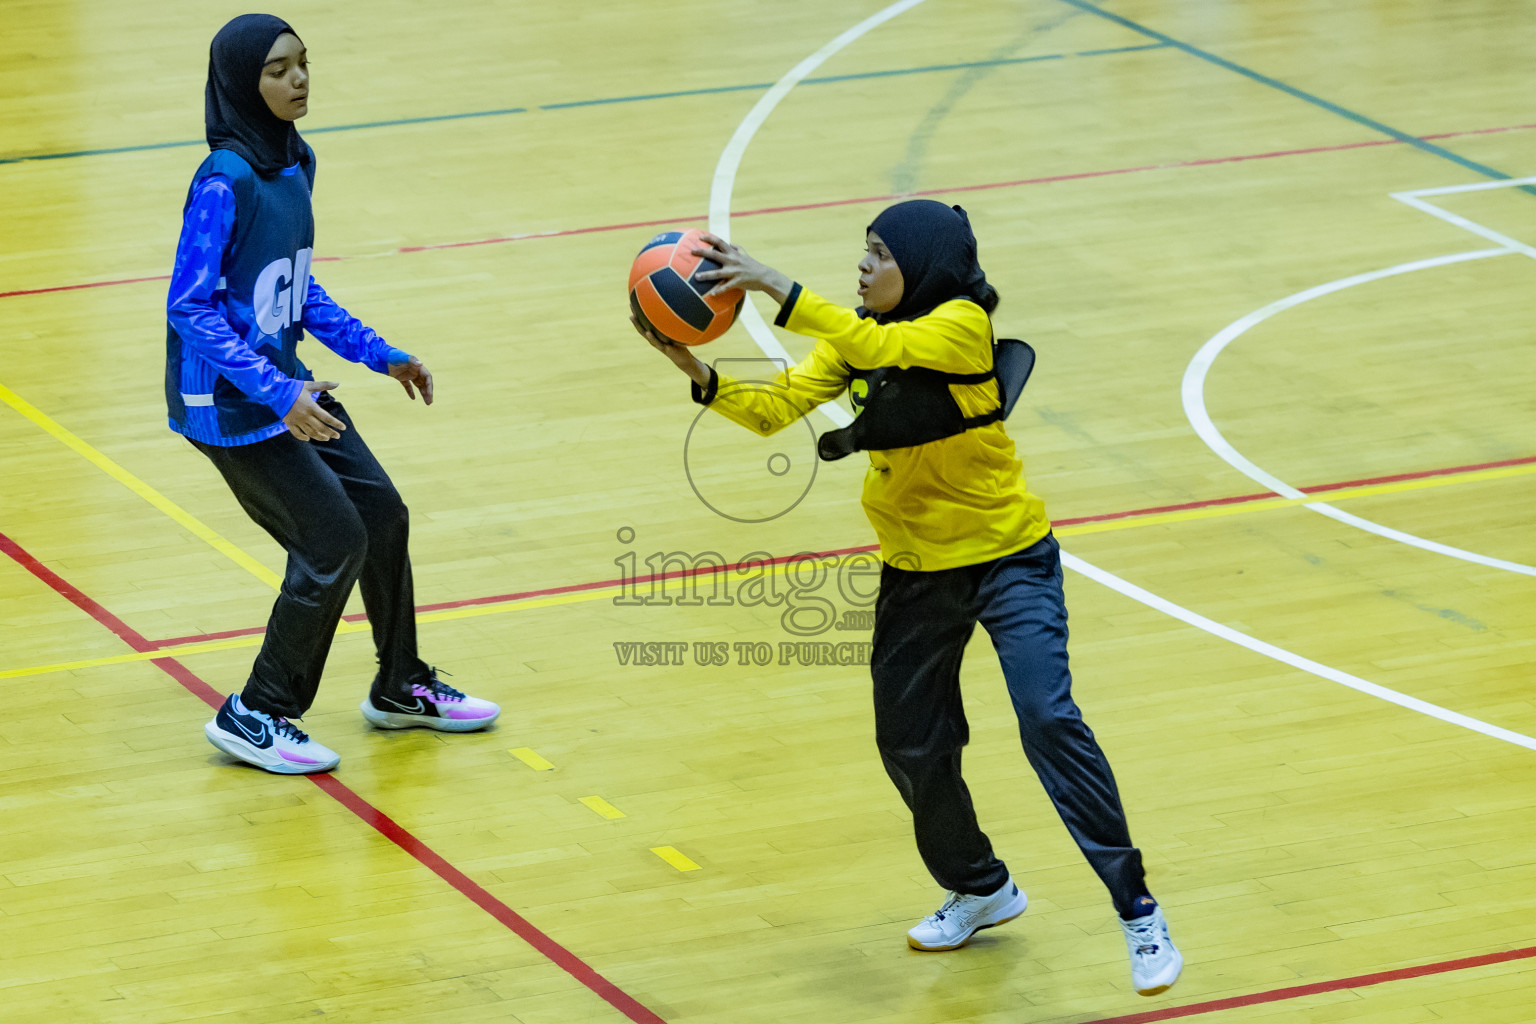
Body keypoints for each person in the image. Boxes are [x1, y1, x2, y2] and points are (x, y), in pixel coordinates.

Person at [632, 201, 1182, 996]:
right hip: (916, 571)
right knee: (911, 745)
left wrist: (772, 282)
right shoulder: (856, 336)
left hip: (1010, 562)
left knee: (1048, 720)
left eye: (879, 253)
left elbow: (879, 345)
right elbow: (773, 409)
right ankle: (981, 887)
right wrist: (697, 373)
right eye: (862, 251)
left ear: (920, 266)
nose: (862, 266)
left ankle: (1137, 910)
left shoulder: (959, 326)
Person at [166, 14, 499, 775]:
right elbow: (189, 306)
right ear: (242, 83)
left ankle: (400, 685)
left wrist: (380, 353)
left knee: (381, 514)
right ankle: (258, 711)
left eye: (304, 64)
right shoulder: (225, 178)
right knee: (330, 542)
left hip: (284, 389)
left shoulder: (295, 161)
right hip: (230, 405)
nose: (299, 79)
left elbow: (295, 286)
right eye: (279, 69)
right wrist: (279, 391)